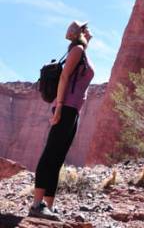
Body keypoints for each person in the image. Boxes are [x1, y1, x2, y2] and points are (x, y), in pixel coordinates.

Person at [29, 21, 95, 221]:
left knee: (58, 157)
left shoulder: (82, 50)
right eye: (86, 27)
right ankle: (36, 205)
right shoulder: (77, 50)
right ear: (80, 32)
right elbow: (65, 77)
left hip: (72, 110)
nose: (90, 29)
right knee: (51, 153)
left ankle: (48, 205)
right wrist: (58, 108)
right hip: (65, 108)